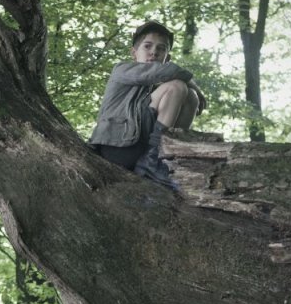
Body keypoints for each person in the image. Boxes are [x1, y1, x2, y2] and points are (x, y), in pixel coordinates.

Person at [88, 21, 205, 189]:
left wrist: (191, 88)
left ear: (167, 58)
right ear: (134, 53)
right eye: (147, 46)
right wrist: (192, 82)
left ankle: (161, 158)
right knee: (178, 86)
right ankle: (152, 163)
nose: (154, 52)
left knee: (190, 97)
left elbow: (166, 75)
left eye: (161, 49)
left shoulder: (160, 90)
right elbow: (163, 73)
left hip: (143, 148)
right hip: (116, 146)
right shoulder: (122, 70)